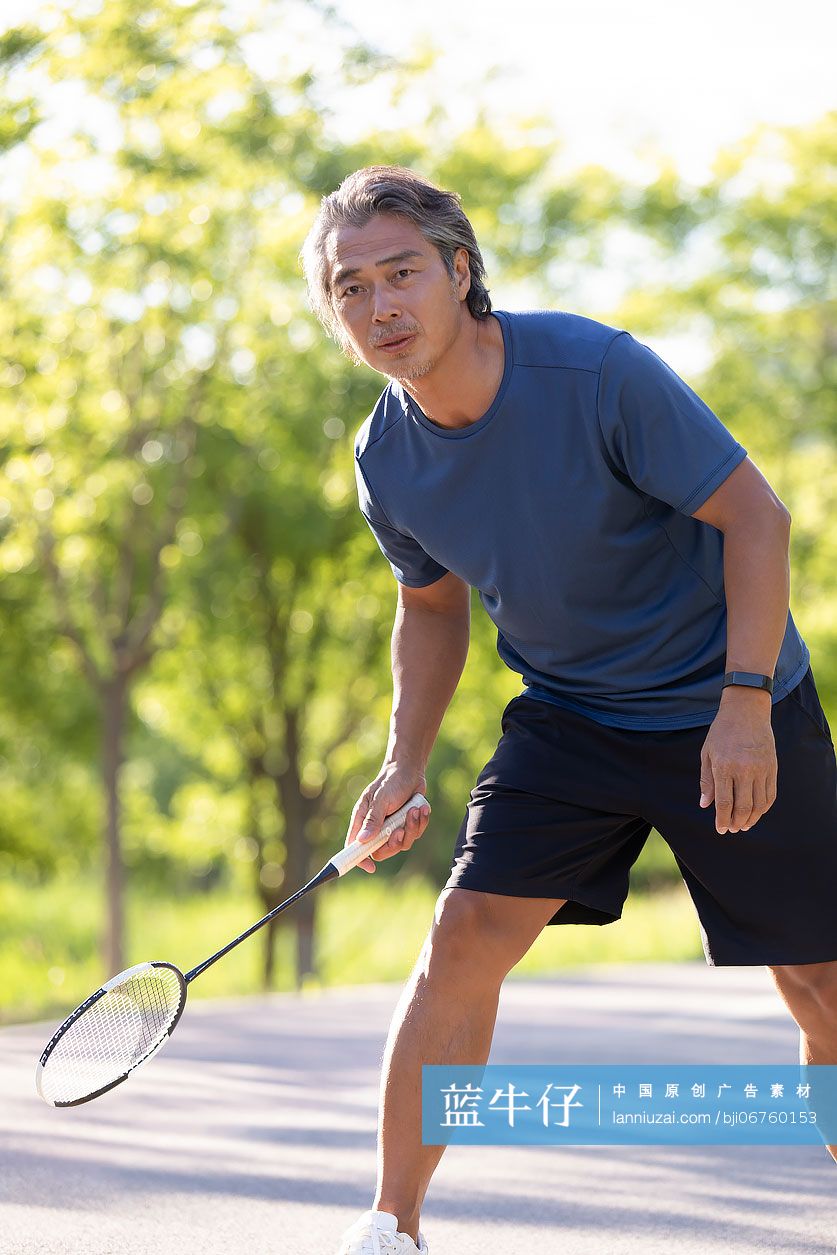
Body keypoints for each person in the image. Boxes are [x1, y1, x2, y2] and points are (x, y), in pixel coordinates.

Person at [299, 165, 837, 1255]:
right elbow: (431, 609)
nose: (379, 306)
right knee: (459, 939)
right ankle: (389, 1226)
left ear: (460, 272)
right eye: (349, 289)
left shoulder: (596, 372)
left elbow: (758, 519)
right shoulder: (387, 455)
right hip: (572, 716)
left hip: (726, 695)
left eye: (400, 273)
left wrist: (741, 708)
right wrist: (404, 761)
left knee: (819, 978)